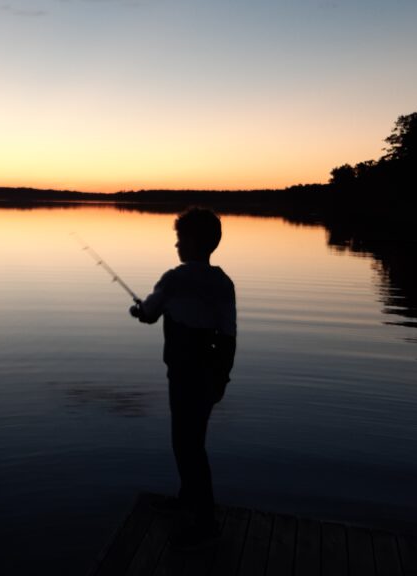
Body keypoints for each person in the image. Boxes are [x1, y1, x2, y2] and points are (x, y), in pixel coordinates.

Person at [129, 207, 237, 550]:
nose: (176, 246)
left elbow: (149, 313)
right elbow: (230, 335)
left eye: (179, 239)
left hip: (183, 374)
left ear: (190, 242)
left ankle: (205, 521)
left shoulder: (174, 279)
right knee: (194, 440)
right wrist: (223, 378)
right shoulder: (224, 283)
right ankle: (188, 499)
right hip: (211, 373)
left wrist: (138, 311)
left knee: (186, 444)